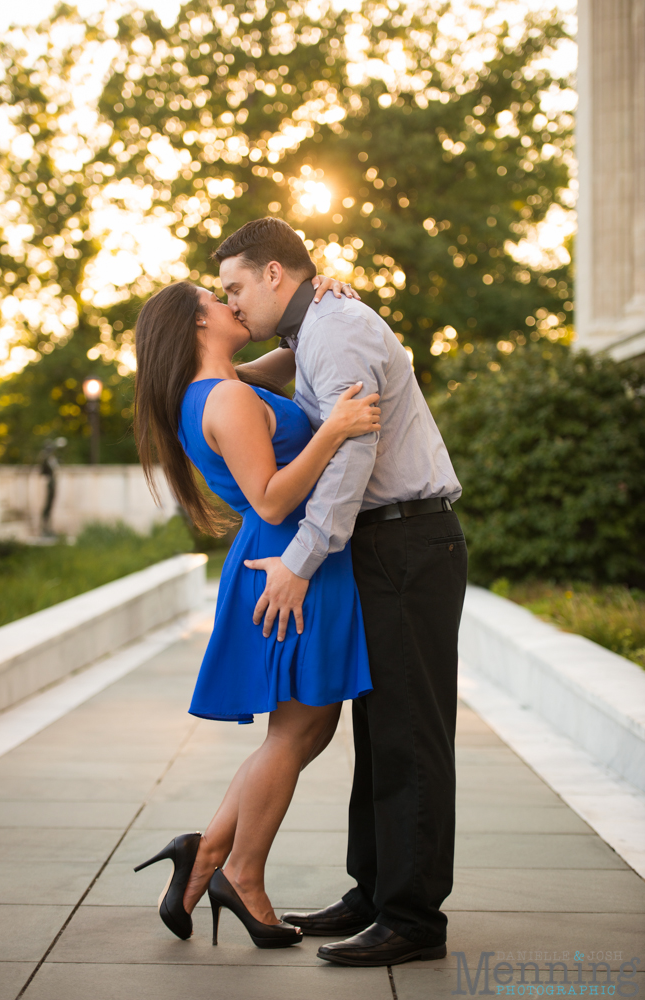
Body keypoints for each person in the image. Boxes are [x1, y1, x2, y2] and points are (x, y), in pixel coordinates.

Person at [214, 218, 467, 968]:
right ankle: (374, 891)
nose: (231, 305)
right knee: (377, 728)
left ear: (273, 275)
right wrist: (219, 373)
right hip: (384, 545)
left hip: (406, 540)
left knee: (410, 734)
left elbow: (351, 460)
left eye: (235, 288)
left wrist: (299, 558)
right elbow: (288, 370)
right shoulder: (316, 328)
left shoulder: (336, 328)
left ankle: (413, 918)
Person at [132, 275, 378, 949]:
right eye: (218, 300)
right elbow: (269, 499)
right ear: (196, 326)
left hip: (288, 557)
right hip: (286, 559)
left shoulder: (217, 387)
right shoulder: (228, 399)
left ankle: (205, 853)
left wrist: (321, 294)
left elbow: (299, 348)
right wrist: (333, 430)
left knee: (306, 729)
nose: (231, 302)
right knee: (296, 733)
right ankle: (239, 872)